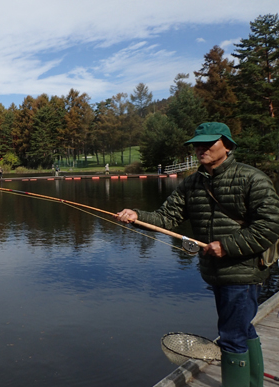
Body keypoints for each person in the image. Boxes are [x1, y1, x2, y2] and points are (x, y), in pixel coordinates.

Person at [115, 122, 279, 387]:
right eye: (197, 144)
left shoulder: (252, 178)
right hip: (215, 271)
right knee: (241, 329)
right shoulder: (191, 183)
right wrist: (137, 216)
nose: (201, 149)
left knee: (231, 336)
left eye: (208, 143)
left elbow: (269, 226)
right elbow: (166, 217)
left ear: (227, 145)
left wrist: (227, 246)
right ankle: (253, 382)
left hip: (243, 270)